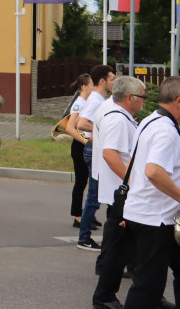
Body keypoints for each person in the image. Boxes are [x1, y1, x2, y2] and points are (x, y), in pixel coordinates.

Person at [119, 76, 180, 309]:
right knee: (148, 285)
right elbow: (153, 171)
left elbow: (136, 163)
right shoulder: (165, 130)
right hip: (156, 221)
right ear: (179, 101)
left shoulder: (152, 120)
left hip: (157, 216)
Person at [89, 76, 146, 308]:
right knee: (118, 248)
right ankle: (104, 297)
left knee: (129, 248)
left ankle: (147, 292)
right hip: (122, 193)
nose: (144, 101)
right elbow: (110, 154)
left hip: (118, 191)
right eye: (143, 97)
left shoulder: (115, 113)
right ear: (130, 98)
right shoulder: (118, 120)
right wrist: (131, 183)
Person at [76, 64, 116, 251]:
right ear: (102, 81)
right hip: (94, 151)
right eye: (112, 79)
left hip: (95, 149)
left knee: (97, 195)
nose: (113, 82)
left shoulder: (100, 99)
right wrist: (102, 129)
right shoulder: (96, 100)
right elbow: (81, 123)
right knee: (94, 197)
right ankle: (84, 238)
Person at [63, 73, 94, 228]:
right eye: (92, 84)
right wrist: (86, 142)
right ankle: (78, 216)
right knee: (81, 182)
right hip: (80, 145)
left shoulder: (88, 102)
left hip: (86, 144)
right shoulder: (79, 103)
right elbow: (70, 127)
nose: (94, 87)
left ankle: (89, 213)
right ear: (84, 87)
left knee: (90, 181)